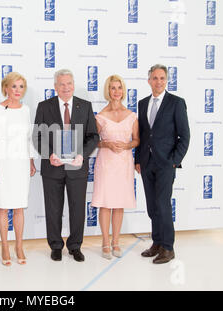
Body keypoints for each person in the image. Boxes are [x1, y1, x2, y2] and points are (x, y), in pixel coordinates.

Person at [33, 69, 99, 262]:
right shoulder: (44, 107)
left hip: (77, 167)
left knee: (78, 209)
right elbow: (37, 136)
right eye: (62, 84)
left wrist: (82, 155)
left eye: (69, 83)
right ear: (55, 87)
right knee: (53, 209)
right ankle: (55, 246)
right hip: (53, 167)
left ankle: (75, 246)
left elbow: (93, 136)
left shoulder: (84, 106)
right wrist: (49, 154)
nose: (66, 87)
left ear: (73, 84)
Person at [135, 64, 190, 264]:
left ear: (166, 81)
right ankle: (157, 242)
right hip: (146, 163)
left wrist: (174, 161)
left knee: (163, 205)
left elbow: (184, 136)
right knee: (151, 206)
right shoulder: (142, 103)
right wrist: (138, 159)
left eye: (162, 78)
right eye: (155, 78)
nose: (158, 82)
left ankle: (168, 247)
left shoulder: (176, 103)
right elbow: (141, 134)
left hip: (166, 164)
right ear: (149, 80)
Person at [0, 72, 37, 266]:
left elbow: (29, 137)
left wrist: (31, 160)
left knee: (19, 208)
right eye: (14, 86)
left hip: (21, 163)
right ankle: (5, 246)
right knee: (3, 207)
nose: (17, 90)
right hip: (3, 163)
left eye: (21, 87)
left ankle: (19, 245)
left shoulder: (26, 110)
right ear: (5, 88)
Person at [91, 75, 139, 260]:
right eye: (113, 88)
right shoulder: (100, 116)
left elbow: (137, 140)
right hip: (106, 163)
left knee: (119, 204)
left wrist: (127, 146)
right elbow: (93, 141)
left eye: (119, 87)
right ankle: (105, 242)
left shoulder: (132, 115)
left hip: (124, 163)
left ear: (123, 90)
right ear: (108, 91)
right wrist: (107, 145)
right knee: (105, 203)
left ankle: (116, 241)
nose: (116, 91)